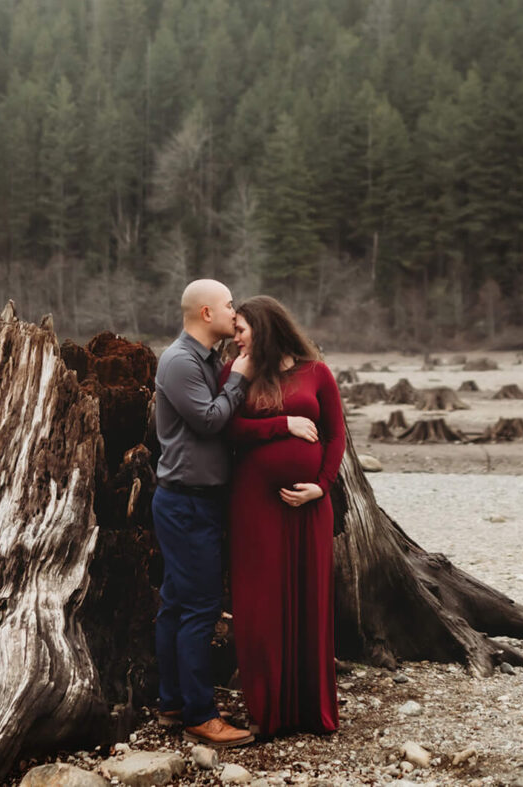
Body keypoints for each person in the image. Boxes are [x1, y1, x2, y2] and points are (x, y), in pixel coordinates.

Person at [223, 295, 346, 737]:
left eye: (240, 328)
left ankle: (311, 712)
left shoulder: (317, 372)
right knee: (261, 604)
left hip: (311, 506)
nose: (233, 337)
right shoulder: (239, 373)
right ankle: (267, 713)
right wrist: (284, 424)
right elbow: (225, 427)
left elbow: (335, 436)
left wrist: (322, 486)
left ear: (264, 325)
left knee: (310, 600)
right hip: (254, 505)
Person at [152, 278, 255, 749]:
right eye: (230, 305)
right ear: (207, 314)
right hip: (186, 501)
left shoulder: (207, 358)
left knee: (177, 603)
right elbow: (211, 419)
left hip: (194, 501)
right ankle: (199, 715)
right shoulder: (178, 361)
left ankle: (173, 701)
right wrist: (240, 378)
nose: (237, 313)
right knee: (200, 608)